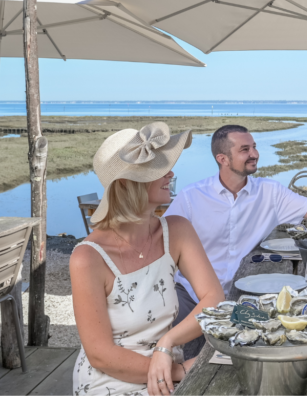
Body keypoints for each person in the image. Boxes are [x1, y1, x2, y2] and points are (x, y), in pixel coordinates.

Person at [167, 125, 307, 361]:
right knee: (190, 366)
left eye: (254, 146)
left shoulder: (270, 192)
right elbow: (164, 245)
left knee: (233, 365)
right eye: (245, 149)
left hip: (242, 302)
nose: (254, 153)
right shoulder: (191, 197)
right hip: (193, 299)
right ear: (222, 159)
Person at [71, 123, 223, 396]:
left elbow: (214, 298)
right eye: (160, 170)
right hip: (111, 381)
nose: (172, 174)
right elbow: (101, 355)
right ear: (131, 184)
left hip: (167, 366)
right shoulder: (88, 258)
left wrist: (167, 343)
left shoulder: (176, 230)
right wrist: (180, 371)